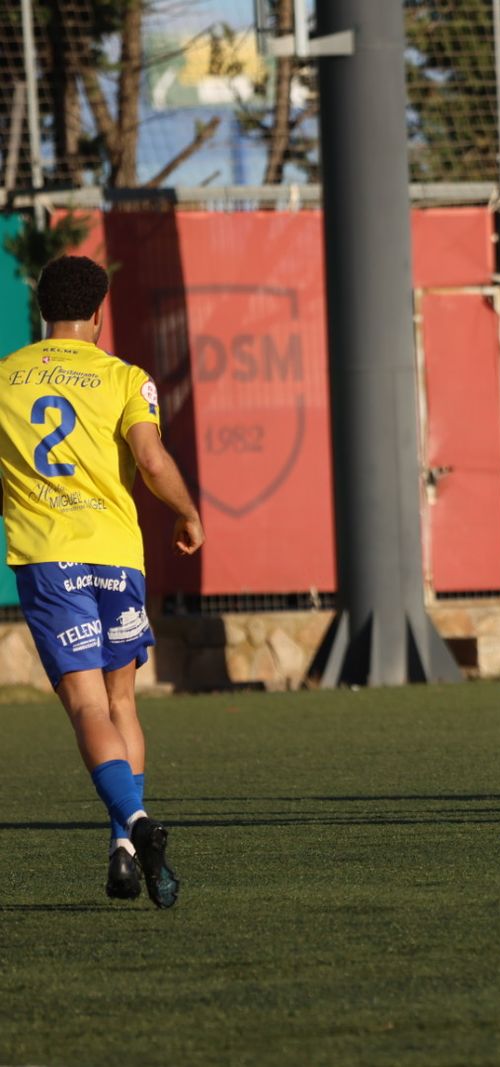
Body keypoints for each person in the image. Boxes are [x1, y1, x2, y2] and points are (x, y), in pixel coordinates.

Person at [0, 256, 205, 906]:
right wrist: (188, 511)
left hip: (49, 561)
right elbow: (150, 458)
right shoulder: (125, 377)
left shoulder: (5, 378)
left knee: (88, 709)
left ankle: (139, 824)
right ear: (98, 313)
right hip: (118, 558)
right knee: (123, 705)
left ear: (41, 310)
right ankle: (120, 845)